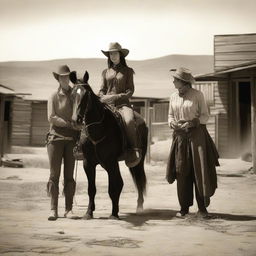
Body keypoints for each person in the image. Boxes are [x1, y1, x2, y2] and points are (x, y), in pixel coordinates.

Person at [166, 67, 219, 218]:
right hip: (180, 137)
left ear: (183, 82)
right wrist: (172, 123)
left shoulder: (197, 95)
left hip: (197, 136)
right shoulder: (173, 96)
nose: (173, 81)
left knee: (199, 170)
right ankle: (184, 208)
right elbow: (170, 115)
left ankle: (202, 208)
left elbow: (205, 116)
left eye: (175, 79)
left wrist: (192, 122)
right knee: (181, 171)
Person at [98, 42, 141, 167]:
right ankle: (83, 147)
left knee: (128, 121)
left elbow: (130, 91)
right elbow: (102, 89)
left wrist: (116, 97)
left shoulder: (128, 71)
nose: (113, 56)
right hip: (107, 105)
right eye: (111, 54)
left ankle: (133, 150)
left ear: (120, 55)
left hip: (123, 105)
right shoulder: (105, 72)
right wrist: (101, 96)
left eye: (115, 53)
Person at [46, 65, 80, 221]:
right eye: (62, 77)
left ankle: (69, 209)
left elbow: (79, 113)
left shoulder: (75, 95)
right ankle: (53, 209)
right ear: (58, 79)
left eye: (67, 76)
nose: (64, 79)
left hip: (72, 140)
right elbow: (51, 117)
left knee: (69, 176)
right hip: (56, 140)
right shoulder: (53, 96)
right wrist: (67, 124)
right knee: (54, 175)